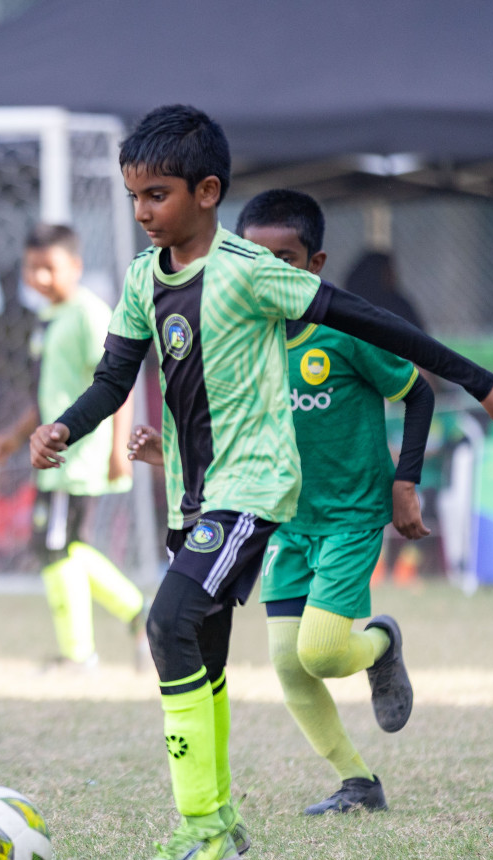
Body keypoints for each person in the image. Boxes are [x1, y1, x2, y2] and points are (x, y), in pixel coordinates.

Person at [30, 105, 493, 860]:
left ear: (206, 191)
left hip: (254, 488)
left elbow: (374, 323)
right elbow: (113, 378)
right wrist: (63, 427)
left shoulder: (249, 271)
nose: (140, 213)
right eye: (133, 197)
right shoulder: (140, 280)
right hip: (194, 498)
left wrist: (482, 380)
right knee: (203, 652)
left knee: (167, 624)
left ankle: (200, 827)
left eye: (156, 195)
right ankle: (221, 821)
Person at [129, 189, 437, 815]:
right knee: (288, 665)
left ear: (315, 265)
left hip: (349, 516)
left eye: (287, 259)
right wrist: (174, 455)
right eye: (255, 256)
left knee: (321, 653)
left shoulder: (344, 331)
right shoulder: (235, 336)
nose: (270, 271)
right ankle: (357, 782)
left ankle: (380, 643)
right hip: (280, 518)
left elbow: (420, 392)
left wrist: (405, 483)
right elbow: (223, 428)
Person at [0, 224, 145, 671]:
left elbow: (119, 384)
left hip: (78, 453)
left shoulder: (88, 314)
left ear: (74, 266)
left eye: (48, 268)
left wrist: (119, 450)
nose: (38, 278)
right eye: (30, 268)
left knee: (53, 546)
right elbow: (48, 396)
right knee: (66, 545)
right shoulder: (49, 318)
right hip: (52, 455)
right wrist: (15, 438)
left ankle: (79, 654)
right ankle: (139, 612)